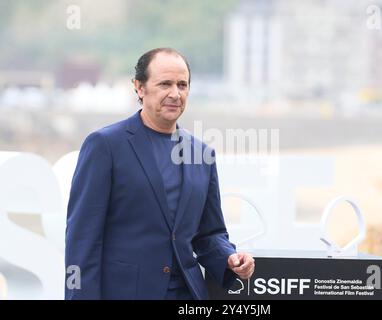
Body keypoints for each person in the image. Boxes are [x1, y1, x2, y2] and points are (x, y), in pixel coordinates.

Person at [65, 48, 255, 300]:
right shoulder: (105, 145)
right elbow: (83, 239)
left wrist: (229, 257)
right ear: (139, 87)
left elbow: (210, 233)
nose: (175, 93)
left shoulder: (202, 153)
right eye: (165, 83)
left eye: (182, 84)